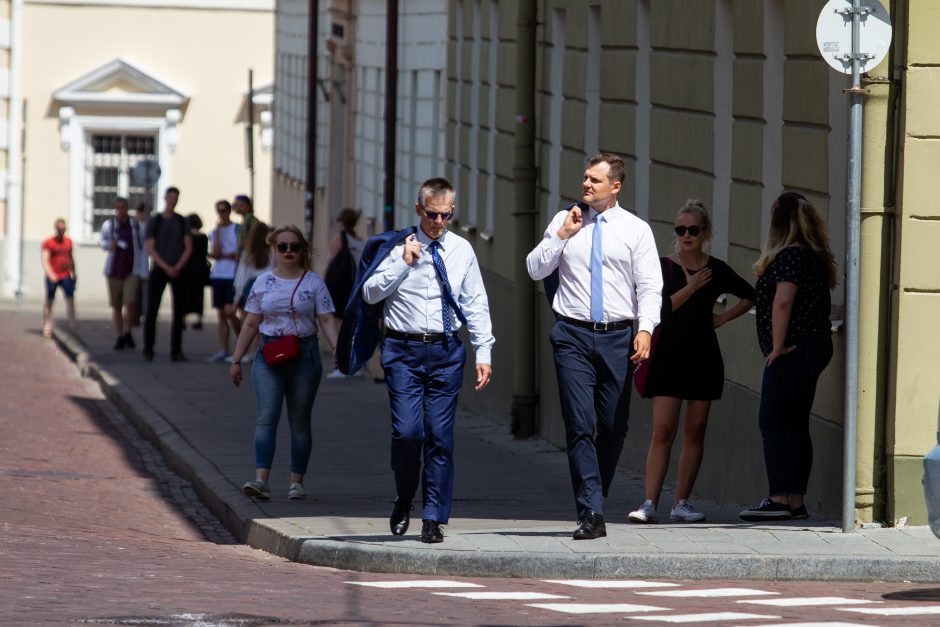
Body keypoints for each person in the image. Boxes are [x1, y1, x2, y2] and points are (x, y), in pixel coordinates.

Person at [526, 153, 662, 540]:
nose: (586, 185)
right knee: (580, 423)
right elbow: (535, 269)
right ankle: (591, 510)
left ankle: (594, 496)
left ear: (615, 186)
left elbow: (650, 285)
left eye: (595, 181)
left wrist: (646, 329)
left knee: (614, 426)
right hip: (571, 333)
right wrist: (561, 236)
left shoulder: (636, 230)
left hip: (618, 336)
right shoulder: (565, 221)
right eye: (585, 178)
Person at [363, 177, 494, 544]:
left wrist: (484, 352)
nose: (439, 222)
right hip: (402, 351)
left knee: (439, 436)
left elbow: (475, 303)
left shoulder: (462, 250)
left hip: (446, 351)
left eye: (446, 215)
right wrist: (403, 263)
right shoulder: (396, 246)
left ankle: (433, 516)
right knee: (407, 433)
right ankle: (405, 496)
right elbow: (371, 293)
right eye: (433, 214)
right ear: (420, 210)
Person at [627, 200, 755, 524]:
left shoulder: (716, 269)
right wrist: (692, 286)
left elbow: (751, 294)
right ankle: (649, 503)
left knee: (695, 430)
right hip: (668, 356)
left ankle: (681, 503)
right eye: (680, 229)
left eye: (693, 230)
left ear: (705, 233)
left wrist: (722, 318)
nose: (686, 235)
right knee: (662, 431)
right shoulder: (663, 267)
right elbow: (660, 309)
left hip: (703, 357)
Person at [739, 191, 836, 522]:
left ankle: (779, 497)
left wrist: (777, 346)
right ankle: (795, 500)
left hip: (794, 348)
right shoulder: (813, 255)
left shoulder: (790, 256)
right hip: (814, 345)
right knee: (795, 424)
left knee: (774, 421)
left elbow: (783, 301)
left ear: (778, 222)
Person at [229, 225, 339, 501]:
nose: (288, 251)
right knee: (267, 416)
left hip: (304, 355)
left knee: (299, 421)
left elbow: (326, 318)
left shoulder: (314, 282)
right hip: (269, 355)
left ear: (303, 250)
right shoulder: (263, 283)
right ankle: (260, 480)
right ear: (273, 250)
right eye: (282, 247)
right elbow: (251, 321)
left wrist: (338, 348)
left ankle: (296, 481)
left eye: (294, 246)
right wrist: (236, 358)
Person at [143, 187, 193, 362]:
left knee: (179, 312)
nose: (172, 201)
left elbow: (188, 247)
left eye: (175, 198)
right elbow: (151, 248)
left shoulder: (182, 221)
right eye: (170, 197)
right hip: (160, 269)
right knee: (152, 310)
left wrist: (177, 266)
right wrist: (165, 266)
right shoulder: (155, 221)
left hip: (178, 269)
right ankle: (148, 348)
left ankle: (176, 350)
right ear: (165, 198)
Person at [99, 197, 147, 350]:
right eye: (117, 207)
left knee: (130, 302)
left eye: (123, 207)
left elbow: (143, 249)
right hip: (114, 270)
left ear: (127, 208)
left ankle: (128, 331)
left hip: (131, 269)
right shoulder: (109, 225)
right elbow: (102, 242)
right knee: (116, 305)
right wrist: (109, 245)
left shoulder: (136, 226)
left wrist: (144, 271)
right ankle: (120, 335)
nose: (120, 210)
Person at [324, 208, 365, 379]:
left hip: (340, 287)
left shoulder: (339, 238)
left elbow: (331, 260)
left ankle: (342, 365)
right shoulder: (360, 241)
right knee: (353, 326)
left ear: (341, 221)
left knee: (340, 326)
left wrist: (323, 282)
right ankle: (356, 363)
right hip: (356, 286)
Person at [206, 200, 242, 362]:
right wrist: (219, 233)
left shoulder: (237, 229)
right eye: (219, 211)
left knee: (230, 311)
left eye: (224, 211)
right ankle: (224, 349)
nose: (222, 214)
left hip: (232, 275)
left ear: (229, 211)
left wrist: (224, 255)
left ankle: (242, 342)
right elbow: (217, 252)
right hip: (218, 274)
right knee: (221, 314)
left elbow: (237, 254)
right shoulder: (215, 232)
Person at [232, 221, 271, 364]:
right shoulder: (271, 252)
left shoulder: (248, 253)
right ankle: (255, 352)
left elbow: (241, 278)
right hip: (267, 288)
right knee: (260, 325)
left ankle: (247, 353)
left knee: (248, 323)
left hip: (250, 289)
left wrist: (236, 298)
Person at [41, 218, 77, 338]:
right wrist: (50, 274)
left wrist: (73, 272)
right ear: (56, 228)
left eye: (63, 228)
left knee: (70, 298)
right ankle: (47, 325)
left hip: (66, 275)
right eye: (59, 228)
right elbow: (45, 260)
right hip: (53, 275)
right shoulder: (49, 242)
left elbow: (71, 258)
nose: (61, 230)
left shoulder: (69, 242)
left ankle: (71, 323)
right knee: (49, 300)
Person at [134, 203, 152, 327]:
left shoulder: (151, 227)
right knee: (135, 293)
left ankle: (145, 315)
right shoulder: (134, 226)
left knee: (146, 293)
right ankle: (135, 316)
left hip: (148, 263)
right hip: (135, 265)